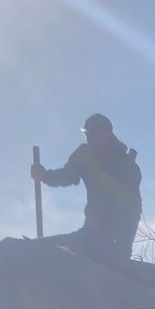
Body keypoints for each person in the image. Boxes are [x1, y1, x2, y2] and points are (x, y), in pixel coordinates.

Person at [31, 113, 142, 264]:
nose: (90, 139)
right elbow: (67, 175)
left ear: (107, 135)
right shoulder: (85, 155)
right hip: (94, 226)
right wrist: (45, 176)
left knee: (95, 251)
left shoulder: (126, 165)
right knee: (80, 247)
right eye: (87, 134)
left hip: (115, 227)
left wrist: (124, 245)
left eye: (94, 134)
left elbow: (133, 207)